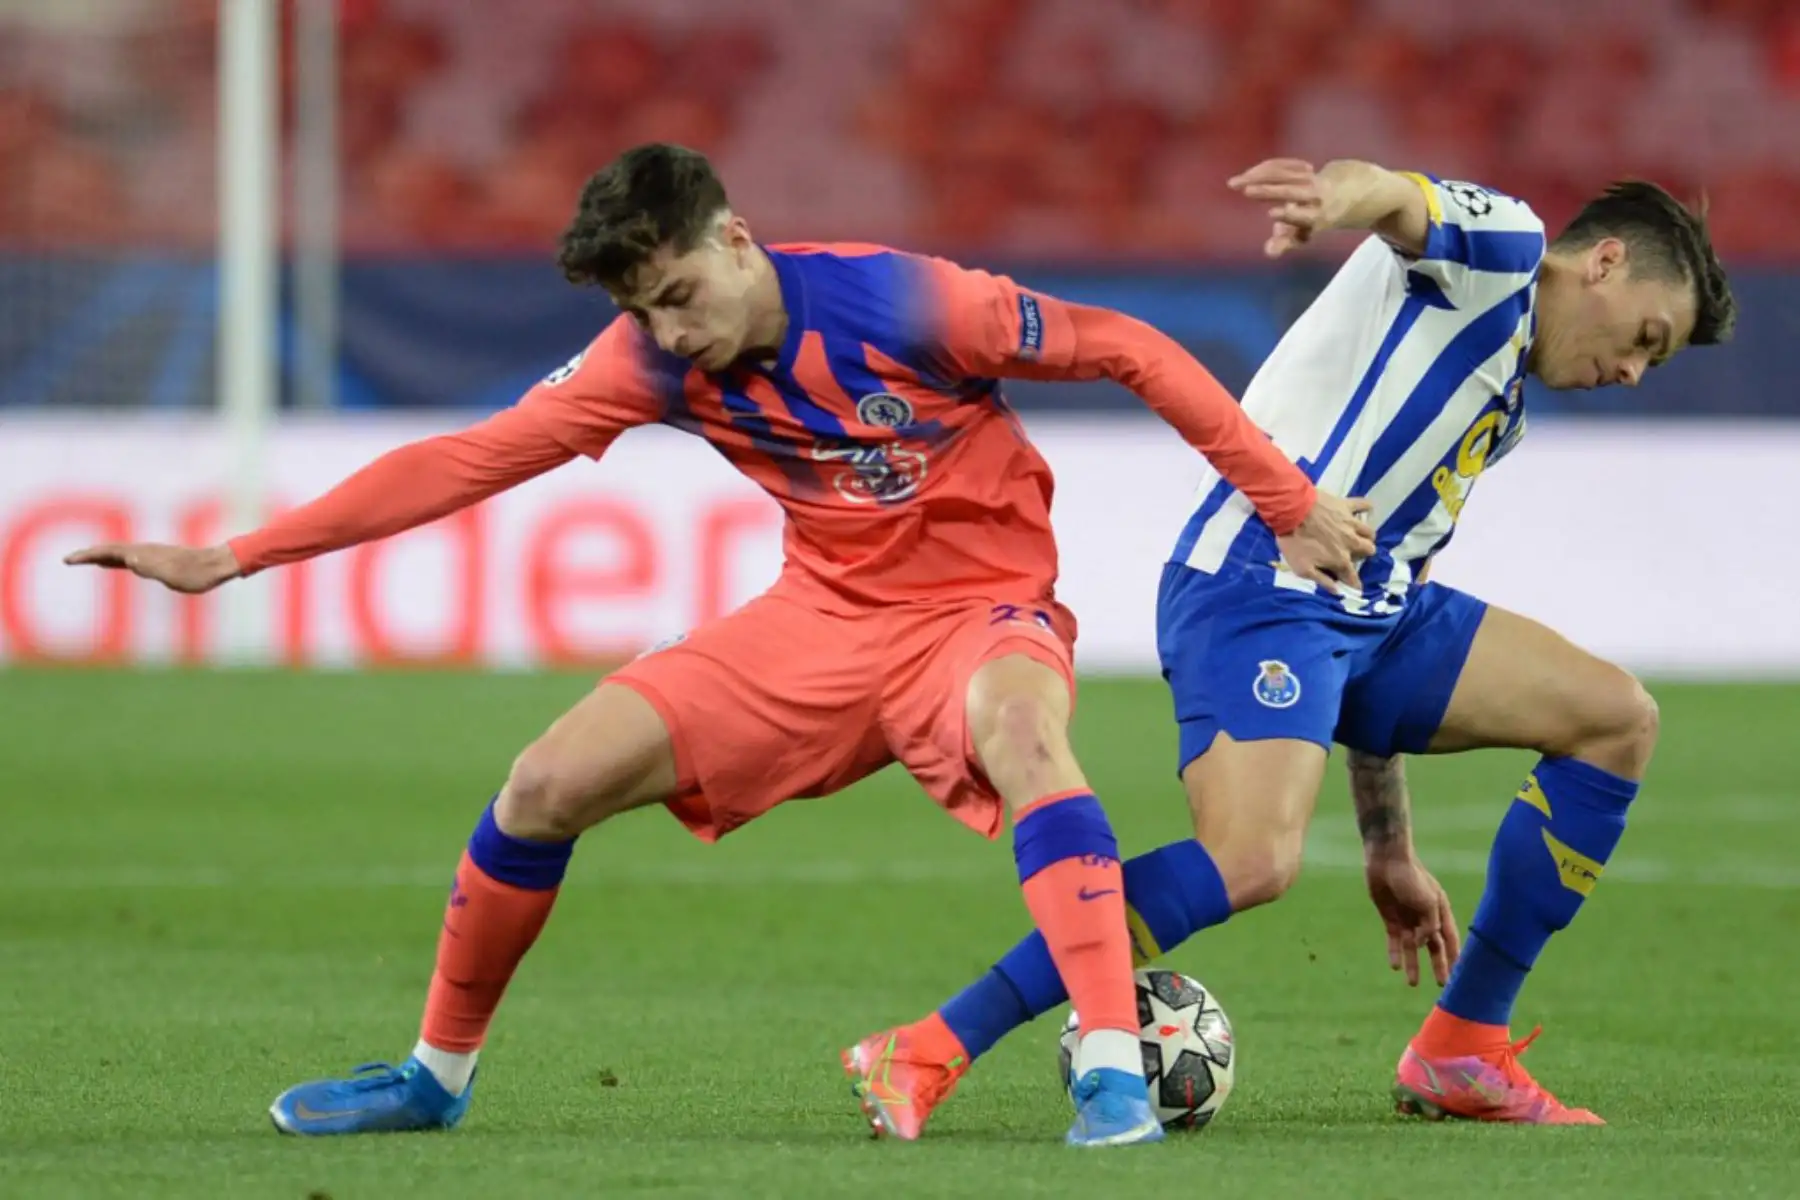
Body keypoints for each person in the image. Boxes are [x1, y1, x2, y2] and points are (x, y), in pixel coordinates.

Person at [64, 143, 1374, 1147]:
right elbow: (471, 458)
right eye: (649, 311)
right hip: (815, 623)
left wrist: (1285, 497)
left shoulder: (912, 305)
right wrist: (237, 555)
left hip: (976, 610)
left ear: (740, 240)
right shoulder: (650, 360)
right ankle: (433, 1079)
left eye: (684, 295)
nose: (675, 332)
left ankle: (1106, 1071)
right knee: (541, 785)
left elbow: (1133, 347)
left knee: (1027, 735)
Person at [841, 157, 1736, 1135]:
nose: (1633, 372)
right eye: (1648, 338)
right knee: (1253, 857)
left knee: (1615, 719)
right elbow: (1394, 196)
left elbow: (1385, 587)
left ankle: (1462, 1047)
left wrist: (1388, 846)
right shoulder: (1506, 254)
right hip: (1257, 584)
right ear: (1604, 263)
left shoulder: (1502, 405)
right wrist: (1329, 199)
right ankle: (927, 1044)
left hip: (1374, 612)